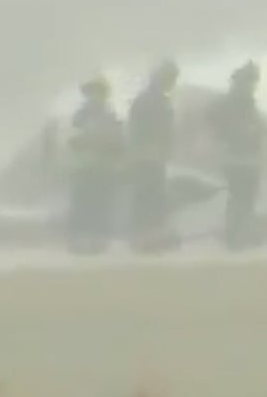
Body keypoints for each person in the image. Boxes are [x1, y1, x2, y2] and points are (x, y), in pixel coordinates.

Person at [209, 59, 267, 251]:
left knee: (244, 196)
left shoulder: (238, 100)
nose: (254, 85)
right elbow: (233, 127)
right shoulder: (238, 102)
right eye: (253, 81)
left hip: (242, 157)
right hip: (239, 157)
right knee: (241, 197)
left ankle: (240, 233)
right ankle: (235, 235)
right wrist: (244, 132)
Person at [122, 58, 182, 252]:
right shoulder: (149, 101)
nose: (172, 83)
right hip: (147, 156)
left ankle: (150, 237)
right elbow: (139, 129)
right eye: (171, 78)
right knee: (147, 196)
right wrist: (150, 148)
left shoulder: (157, 100)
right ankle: (144, 238)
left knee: (152, 196)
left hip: (153, 156)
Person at [64, 77, 125, 254]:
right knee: (82, 204)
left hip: (104, 167)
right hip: (84, 167)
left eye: (98, 93)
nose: (94, 97)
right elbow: (71, 141)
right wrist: (87, 141)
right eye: (91, 93)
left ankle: (98, 240)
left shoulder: (110, 116)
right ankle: (79, 240)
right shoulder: (78, 117)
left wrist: (111, 148)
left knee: (101, 205)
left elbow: (118, 143)